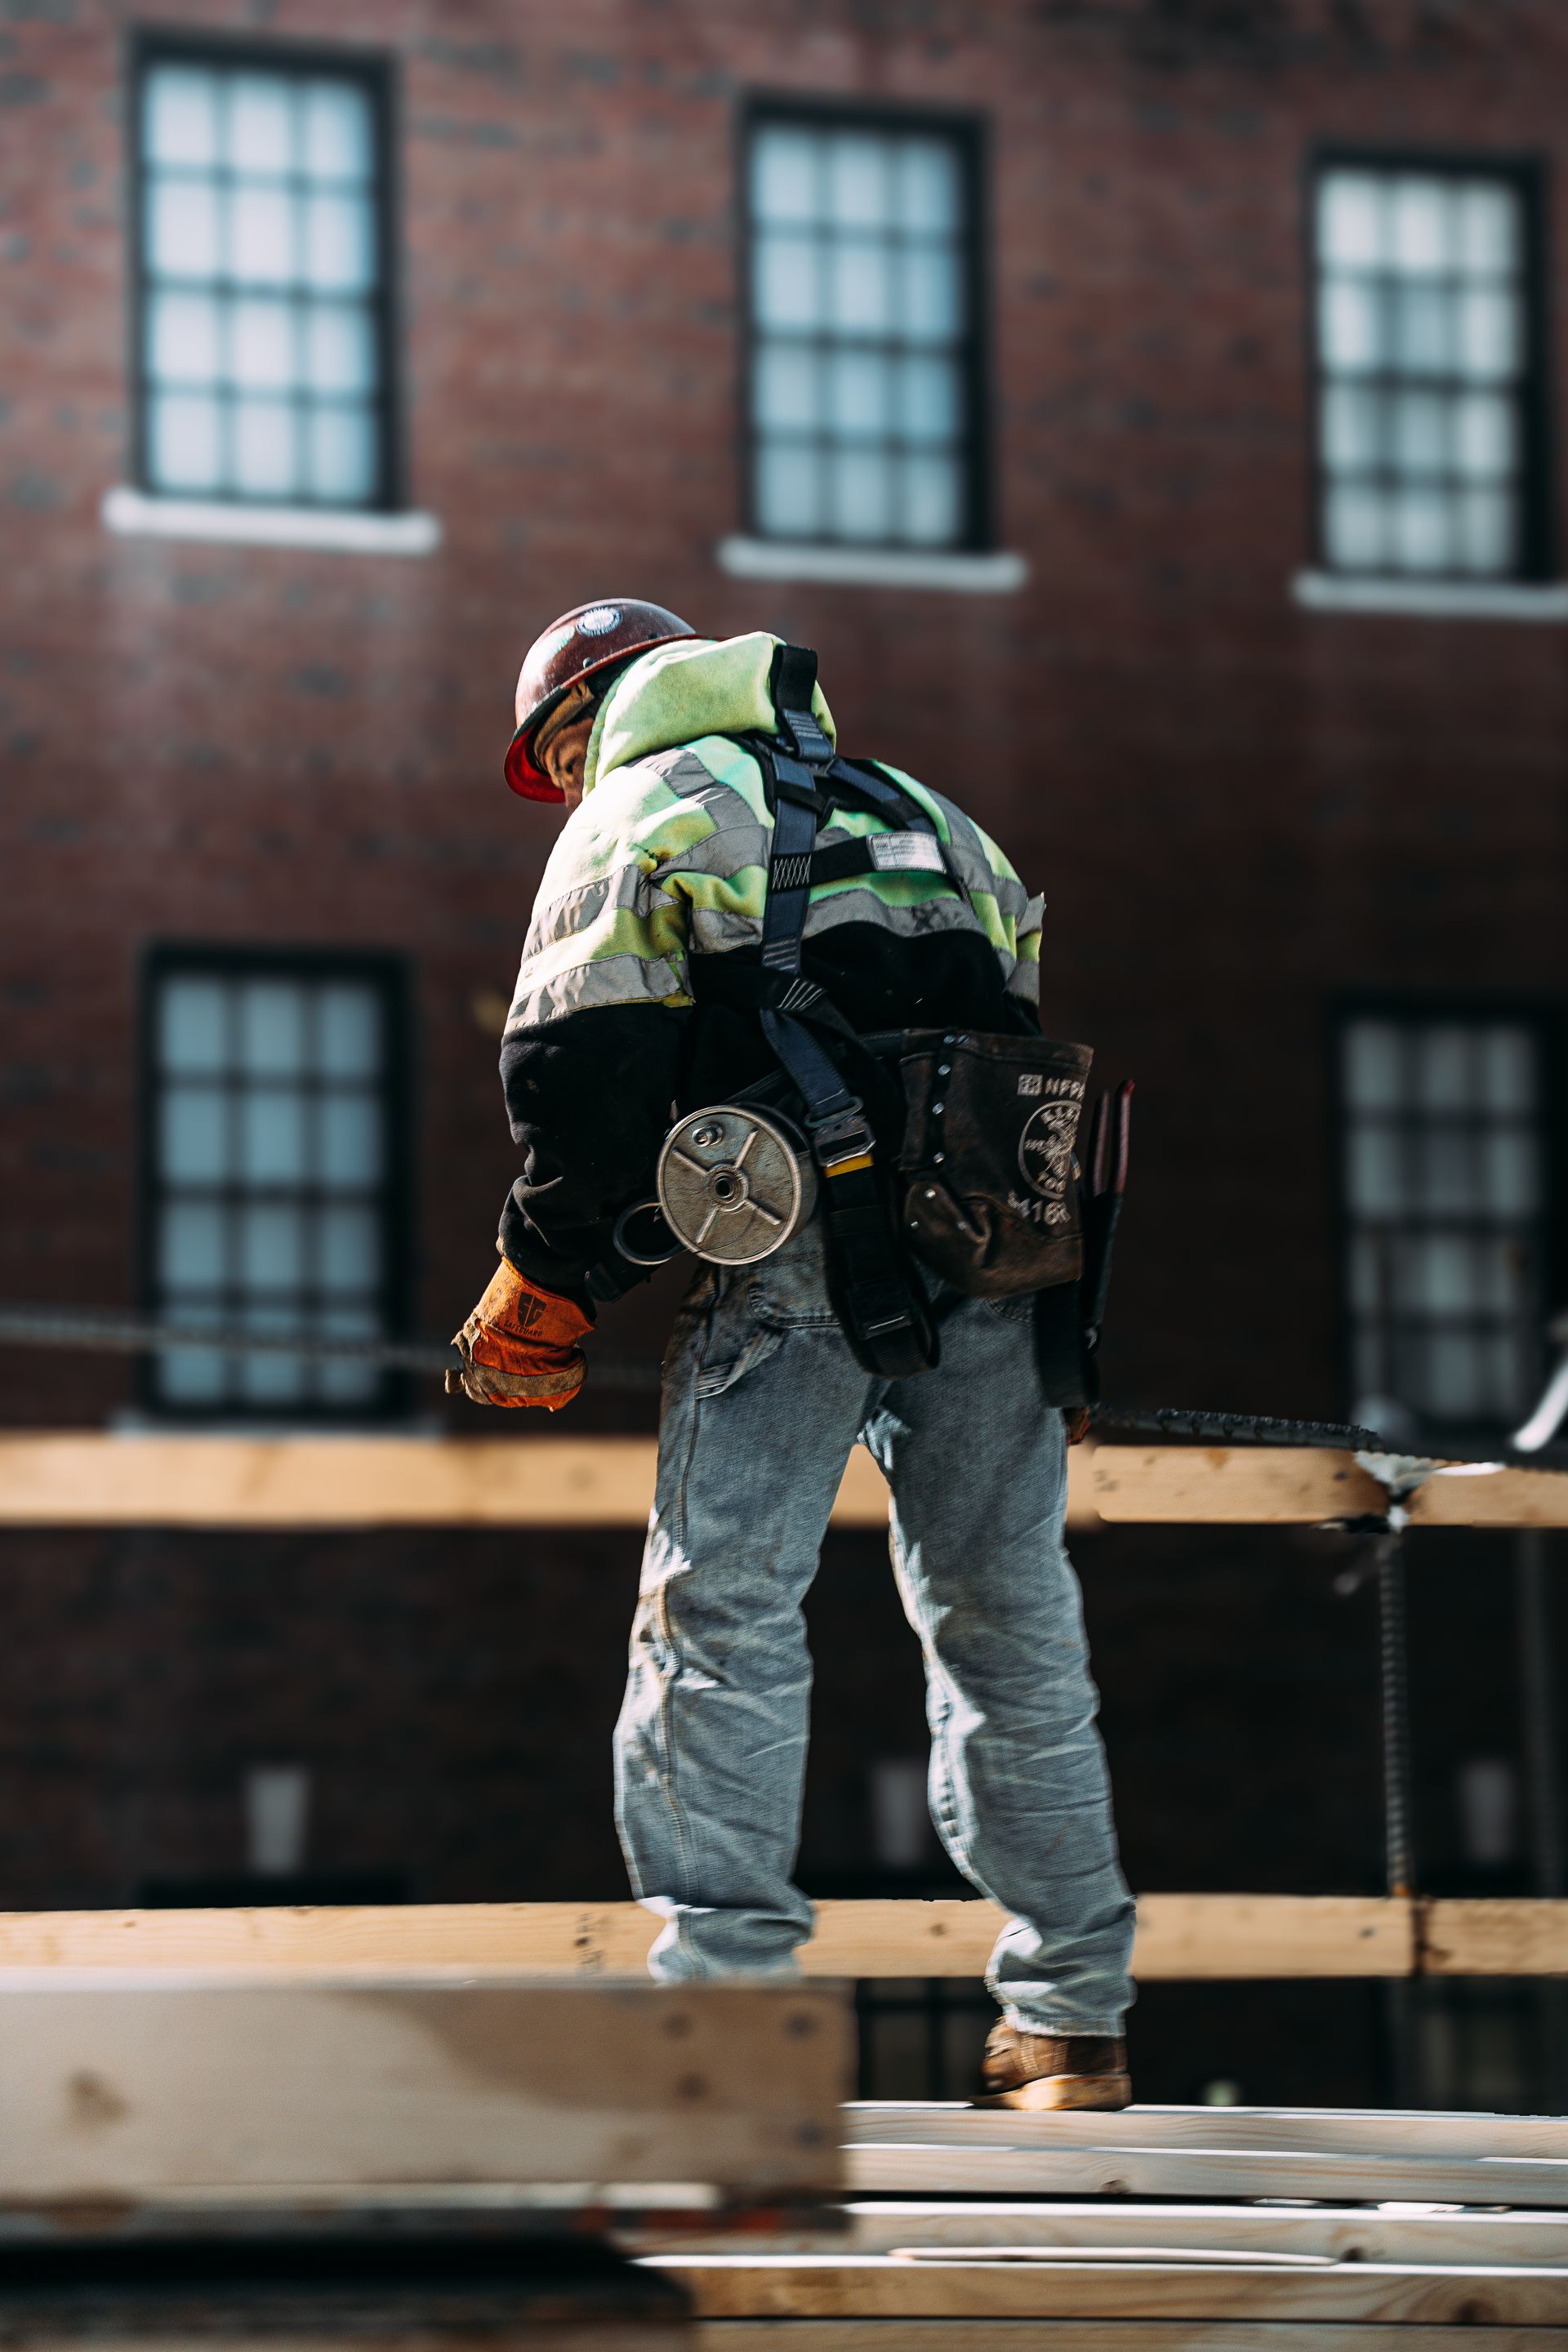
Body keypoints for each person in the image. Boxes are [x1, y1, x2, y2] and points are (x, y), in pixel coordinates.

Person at [450, 599, 1135, 2110]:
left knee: (724, 1614)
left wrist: (546, 1285)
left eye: (561, 757)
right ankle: (1075, 2021)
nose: (565, 789)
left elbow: (578, 1073)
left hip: (801, 1256)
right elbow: (1009, 1053)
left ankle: (725, 2021)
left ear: (583, 723)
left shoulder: (642, 812)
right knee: (1010, 1626)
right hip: (1000, 1263)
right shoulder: (928, 812)